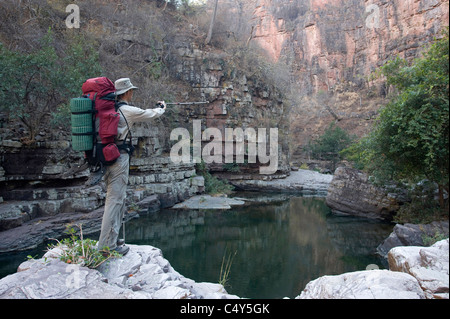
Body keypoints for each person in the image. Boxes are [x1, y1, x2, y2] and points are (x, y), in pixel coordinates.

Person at [98, 78, 166, 256]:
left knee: (116, 198)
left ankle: (112, 239)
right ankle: (106, 247)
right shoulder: (126, 110)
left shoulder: (108, 109)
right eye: (131, 91)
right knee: (115, 200)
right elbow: (151, 114)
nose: (132, 93)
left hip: (105, 156)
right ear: (127, 93)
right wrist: (161, 107)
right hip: (119, 158)